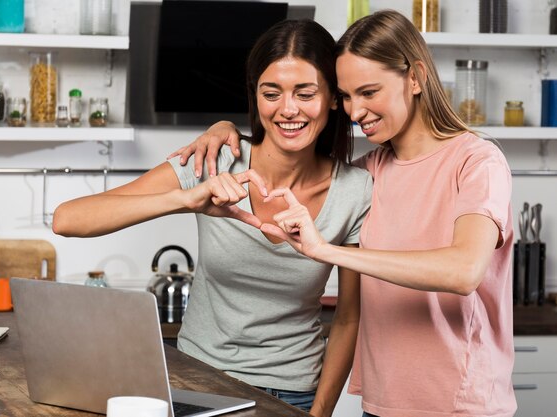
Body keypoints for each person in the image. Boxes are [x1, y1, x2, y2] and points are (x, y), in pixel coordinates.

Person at [169, 9, 516, 417]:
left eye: (369, 92)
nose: (353, 111)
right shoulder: (370, 172)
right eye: (347, 97)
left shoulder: (476, 161)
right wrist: (223, 128)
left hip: (459, 405)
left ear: (416, 77)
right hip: (382, 403)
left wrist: (325, 251)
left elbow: (463, 272)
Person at [53, 19, 372, 416]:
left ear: (332, 98)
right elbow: (68, 220)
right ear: (255, 97)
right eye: (271, 93)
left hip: (293, 394)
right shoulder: (215, 159)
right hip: (198, 381)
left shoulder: (355, 190)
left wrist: (320, 412)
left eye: (305, 93)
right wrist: (185, 199)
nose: (288, 109)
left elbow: (348, 317)